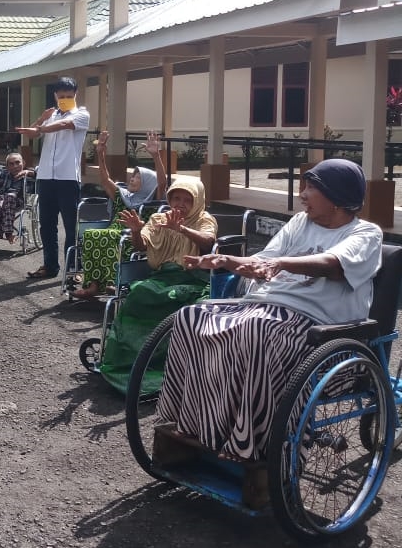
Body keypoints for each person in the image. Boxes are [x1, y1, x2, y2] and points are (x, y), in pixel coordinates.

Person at [156, 159, 381, 461]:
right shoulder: (300, 223)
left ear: (338, 197)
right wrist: (225, 260)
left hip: (320, 331)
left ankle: (247, 444)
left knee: (257, 331)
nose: (303, 194)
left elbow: (334, 265)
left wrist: (281, 264)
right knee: (191, 317)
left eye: (312, 188)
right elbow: (262, 262)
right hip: (265, 310)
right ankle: (196, 425)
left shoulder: (366, 233)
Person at [97, 178, 217, 393]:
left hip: (194, 278)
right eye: (176, 198)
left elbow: (208, 241)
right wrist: (136, 230)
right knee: (138, 295)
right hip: (162, 276)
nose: (180, 204)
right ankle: (126, 363)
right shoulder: (158, 218)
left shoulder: (203, 219)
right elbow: (141, 245)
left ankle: (170, 371)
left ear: (197, 201)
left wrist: (183, 229)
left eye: (187, 200)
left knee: (176, 302)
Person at [72, 130, 165, 299]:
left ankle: (114, 283)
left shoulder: (152, 200)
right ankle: (93, 285)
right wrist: (100, 154)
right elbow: (105, 180)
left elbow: (162, 182)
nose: (132, 178)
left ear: (147, 184)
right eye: (133, 175)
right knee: (91, 235)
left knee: (109, 238)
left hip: (134, 236)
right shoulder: (123, 195)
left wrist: (156, 156)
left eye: (138, 177)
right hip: (113, 230)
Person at [16, 77, 90, 279]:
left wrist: (41, 127)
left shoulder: (82, 114)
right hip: (45, 177)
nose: (65, 99)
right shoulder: (51, 115)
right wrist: (41, 119)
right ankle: (50, 266)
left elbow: (64, 125)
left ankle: (74, 269)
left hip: (68, 179)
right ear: (55, 96)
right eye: (61, 96)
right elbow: (31, 134)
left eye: (69, 96)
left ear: (75, 95)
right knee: (46, 225)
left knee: (70, 226)